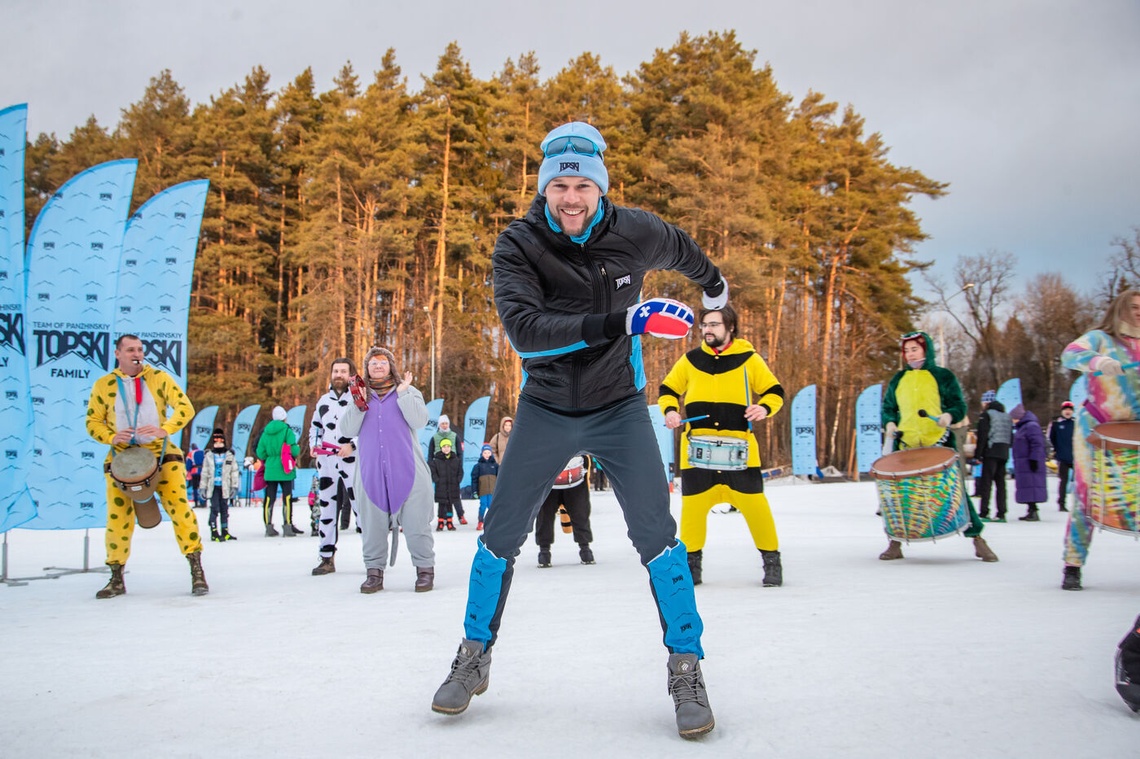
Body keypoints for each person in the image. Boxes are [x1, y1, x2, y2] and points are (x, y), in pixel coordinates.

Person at [430, 121, 724, 738]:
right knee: (501, 529)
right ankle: (474, 654)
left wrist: (714, 286)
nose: (570, 197)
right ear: (544, 189)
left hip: (620, 406)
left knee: (656, 533)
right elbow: (526, 333)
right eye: (558, 185)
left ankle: (687, 665)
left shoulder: (635, 231)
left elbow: (684, 249)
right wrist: (625, 320)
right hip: (546, 407)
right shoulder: (518, 245)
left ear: (600, 189)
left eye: (582, 186)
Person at [659, 304, 786, 588]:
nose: (708, 330)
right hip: (696, 454)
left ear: (730, 328)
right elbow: (668, 389)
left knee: (757, 510)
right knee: (691, 513)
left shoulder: (749, 359)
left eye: (714, 324)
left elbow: (774, 391)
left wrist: (764, 408)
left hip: (740, 453)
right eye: (704, 325)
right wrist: (670, 411)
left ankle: (772, 561)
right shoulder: (690, 360)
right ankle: (692, 566)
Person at [85, 334, 207, 598]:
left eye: (139, 349)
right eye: (130, 349)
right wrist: (110, 436)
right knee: (118, 518)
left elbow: (185, 408)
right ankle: (116, 576)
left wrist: (166, 429)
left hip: (163, 456)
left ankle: (197, 570)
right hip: (122, 460)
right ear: (118, 353)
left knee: (180, 508)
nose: (136, 353)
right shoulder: (104, 385)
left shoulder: (159, 378)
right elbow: (93, 421)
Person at [879, 332, 998, 563]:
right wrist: (890, 422)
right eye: (907, 350)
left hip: (939, 442)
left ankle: (977, 539)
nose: (910, 353)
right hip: (907, 445)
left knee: (955, 492)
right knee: (902, 496)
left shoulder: (943, 376)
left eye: (915, 348)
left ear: (926, 349)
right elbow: (888, 407)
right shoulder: (898, 379)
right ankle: (895, 542)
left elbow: (958, 405)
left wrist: (948, 416)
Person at [1058, 288, 1140, 590]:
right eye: (1132, 306)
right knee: (1087, 495)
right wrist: (1098, 362)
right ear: (1120, 309)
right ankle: (1073, 563)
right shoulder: (1100, 339)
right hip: (1096, 431)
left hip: (1135, 435)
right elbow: (1070, 354)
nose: (1138, 311)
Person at [340, 347, 435, 593]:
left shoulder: (409, 391)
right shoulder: (359, 395)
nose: (378, 366)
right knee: (372, 526)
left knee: (417, 525)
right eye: (372, 363)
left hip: (409, 471)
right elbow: (347, 430)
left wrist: (403, 394)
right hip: (371, 473)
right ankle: (374, 573)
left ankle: (424, 570)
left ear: (391, 365)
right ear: (366, 369)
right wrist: (359, 403)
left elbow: (419, 421)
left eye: (382, 361)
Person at [308, 358, 360, 575]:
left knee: (360, 507)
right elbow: (315, 427)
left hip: (352, 461)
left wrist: (352, 445)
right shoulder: (323, 401)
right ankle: (326, 557)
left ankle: (373, 558)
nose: (338, 374)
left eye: (343, 371)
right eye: (336, 371)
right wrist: (313, 446)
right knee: (327, 508)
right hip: (327, 462)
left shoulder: (358, 400)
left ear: (350, 375)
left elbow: (366, 428)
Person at [533, 456, 594, 567]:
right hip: (548, 476)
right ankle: (544, 551)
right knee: (545, 516)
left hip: (575, 473)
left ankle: (585, 548)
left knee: (580, 513)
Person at [256, 406, 302, 537]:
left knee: (269, 498)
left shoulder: (265, 432)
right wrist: (296, 451)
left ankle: (268, 527)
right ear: (284, 417)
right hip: (285, 468)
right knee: (287, 498)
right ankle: (287, 526)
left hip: (270, 469)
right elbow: (293, 449)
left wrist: (270, 458)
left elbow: (260, 452)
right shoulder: (287, 430)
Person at [974, 389, 1012, 522]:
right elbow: (1011, 436)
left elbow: (983, 435)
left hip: (991, 451)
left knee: (986, 482)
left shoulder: (986, 415)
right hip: (1004, 451)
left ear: (987, 402)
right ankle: (1001, 513)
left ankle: (984, 512)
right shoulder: (1006, 416)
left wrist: (978, 455)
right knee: (1001, 483)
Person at [201, 427, 240, 541]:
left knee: (224, 509)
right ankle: (214, 531)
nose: (218, 442)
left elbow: (234, 471)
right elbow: (205, 472)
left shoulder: (229, 455)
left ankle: (225, 531)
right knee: (215, 509)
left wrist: (234, 486)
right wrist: (202, 488)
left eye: (220, 440)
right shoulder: (209, 456)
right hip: (213, 487)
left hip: (225, 486)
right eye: (215, 440)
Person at [1010, 405, 1047, 521]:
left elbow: (1037, 444)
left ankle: (1033, 511)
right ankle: (1031, 510)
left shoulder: (1031, 426)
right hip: (1025, 463)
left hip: (1030, 462)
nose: (1012, 421)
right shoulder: (1023, 427)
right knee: (1029, 488)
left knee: (1032, 487)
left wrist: (1034, 459)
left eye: (1013, 418)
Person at [429, 415, 466, 523]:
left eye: (446, 423)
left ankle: (461, 515)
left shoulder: (455, 436)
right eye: (442, 424)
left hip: (452, 467)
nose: (444, 425)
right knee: (442, 497)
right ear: (439, 425)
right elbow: (430, 455)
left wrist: (459, 465)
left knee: (455, 495)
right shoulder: (434, 437)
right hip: (440, 468)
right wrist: (433, 469)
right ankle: (442, 518)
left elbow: (460, 452)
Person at [430, 438, 463, 531]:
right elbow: (433, 472)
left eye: (448, 446)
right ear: (441, 448)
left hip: (453, 486)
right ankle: (440, 521)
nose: (446, 449)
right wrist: (437, 480)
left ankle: (449, 521)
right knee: (441, 505)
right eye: (444, 447)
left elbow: (460, 471)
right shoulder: (436, 460)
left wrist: (457, 480)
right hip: (441, 487)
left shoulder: (456, 459)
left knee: (450, 505)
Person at [1049, 401, 1075, 512]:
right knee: (1063, 481)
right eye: (1066, 410)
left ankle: (1080, 504)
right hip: (1062, 457)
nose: (1068, 412)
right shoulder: (1056, 424)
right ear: (1062, 411)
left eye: (1070, 410)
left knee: (1079, 482)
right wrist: (1056, 451)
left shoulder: (1076, 423)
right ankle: (1061, 503)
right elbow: (1051, 438)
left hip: (1075, 457)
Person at [470, 444, 499, 530]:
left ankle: (491, 522)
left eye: (488, 452)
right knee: (483, 505)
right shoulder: (478, 466)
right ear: (482, 454)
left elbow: (500, 478)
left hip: (492, 491)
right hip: (483, 491)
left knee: (491, 506)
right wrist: (474, 491)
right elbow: (474, 480)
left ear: (491, 453)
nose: (487, 454)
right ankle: (480, 521)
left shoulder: (495, 466)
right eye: (485, 453)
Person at [187, 443, 202, 507]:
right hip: (203, 471)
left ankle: (196, 502)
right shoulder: (202, 452)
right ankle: (203, 501)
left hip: (194, 471)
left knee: (195, 487)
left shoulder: (190, 453)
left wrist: (188, 471)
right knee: (202, 487)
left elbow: (188, 463)